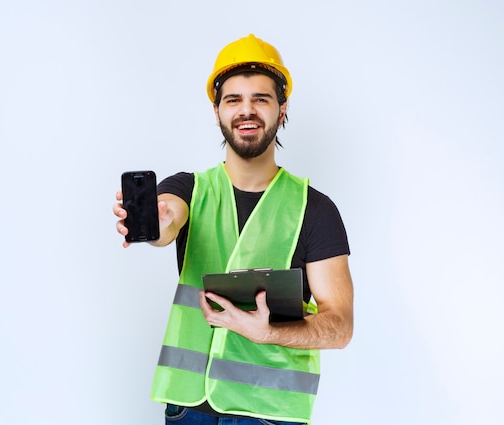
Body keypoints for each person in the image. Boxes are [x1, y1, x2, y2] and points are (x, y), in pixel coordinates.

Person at [113, 34, 354, 425]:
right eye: (233, 99)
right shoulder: (188, 189)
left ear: (282, 108)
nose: (247, 110)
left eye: (261, 98)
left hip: (270, 416)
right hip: (187, 410)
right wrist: (155, 223)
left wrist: (269, 331)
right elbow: (168, 219)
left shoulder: (316, 210)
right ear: (217, 110)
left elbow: (340, 327)